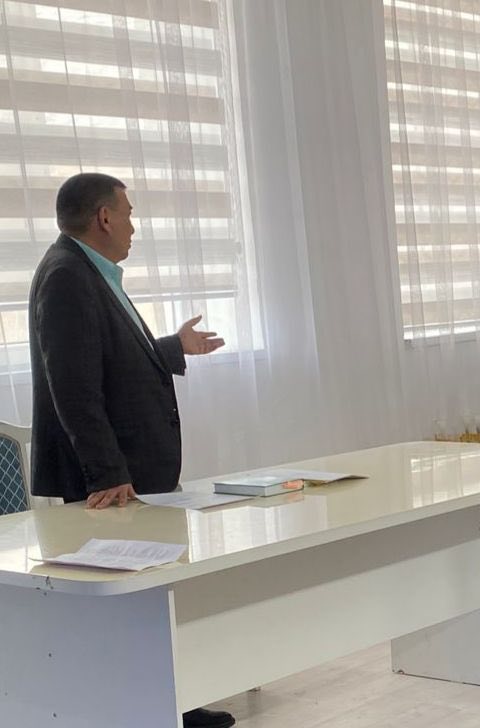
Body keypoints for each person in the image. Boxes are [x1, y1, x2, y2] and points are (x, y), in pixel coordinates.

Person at [29, 173, 234, 728]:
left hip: (128, 473)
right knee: (124, 602)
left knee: (151, 595)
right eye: (129, 213)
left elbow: (109, 361)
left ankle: (169, 704)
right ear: (104, 217)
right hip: (109, 481)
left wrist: (170, 348)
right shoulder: (67, 276)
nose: (133, 226)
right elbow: (73, 387)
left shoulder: (87, 271)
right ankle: (144, 710)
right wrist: (106, 473)